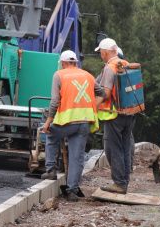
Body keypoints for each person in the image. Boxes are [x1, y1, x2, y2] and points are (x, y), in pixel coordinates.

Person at [41, 50, 99, 202]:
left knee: (51, 135)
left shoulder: (59, 75)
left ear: (64, 63)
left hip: (68, 122)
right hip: (85, 122)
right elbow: (102, 93)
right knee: (77, 156)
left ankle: (51, 169)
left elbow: (54, 101)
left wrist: (48, 121)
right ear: (76, 62)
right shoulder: (88, 76)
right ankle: (72, 190)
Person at [94, 38, 136, 194]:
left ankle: (118, 183)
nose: (101, 55)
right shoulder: (124, 63)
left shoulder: (109, 68)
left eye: (101, 53)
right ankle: (124, 182)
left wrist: (92, 108)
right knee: (125, 147)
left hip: (113, 115)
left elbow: (104, 93)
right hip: (128, 113)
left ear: (106, 52)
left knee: (113, 148)